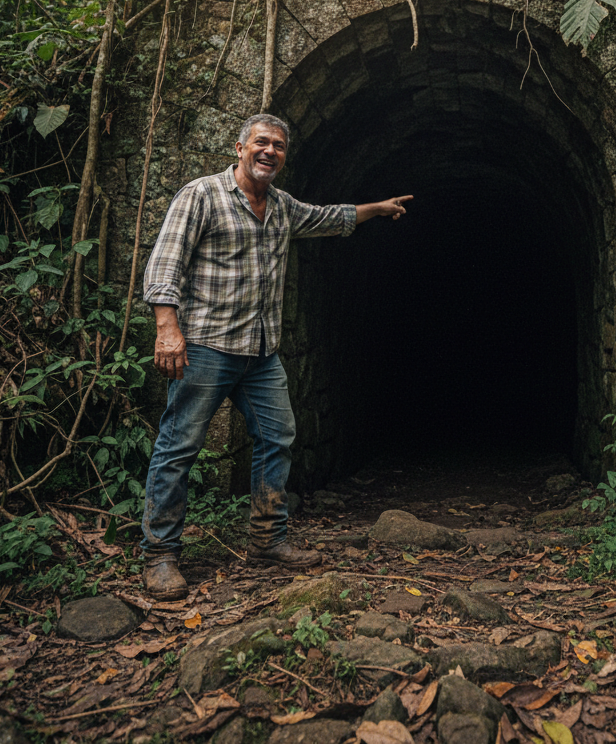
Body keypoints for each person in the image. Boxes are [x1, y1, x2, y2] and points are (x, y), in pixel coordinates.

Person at [140, 113, 412, 600]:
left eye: (279, 146)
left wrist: (378, 207)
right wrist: (167, 330)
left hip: (260, 352)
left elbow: (331, 217)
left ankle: (267, 540)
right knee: (179, 446)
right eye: (261, 143)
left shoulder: (282, 207)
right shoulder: (201, 195)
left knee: (277, 437)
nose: (270, 151)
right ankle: (160, 553)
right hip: (205, 345)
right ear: (240, 147)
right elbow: (165, 262)